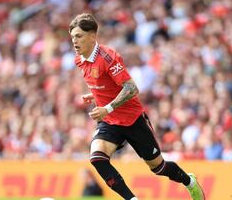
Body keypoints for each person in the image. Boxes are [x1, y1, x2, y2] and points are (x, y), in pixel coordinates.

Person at [69, 13, 205, 200]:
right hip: (109, 121)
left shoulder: (109, 58)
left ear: (92, 36)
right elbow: (106, 85)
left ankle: (189, 181)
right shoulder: (80, 60)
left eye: (79, 36)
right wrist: (94, 95)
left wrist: (107, 107)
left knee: (158, 167)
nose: (74, 41)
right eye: (73, 37)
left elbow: (132, 88)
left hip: (132, 119)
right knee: (97, 158)